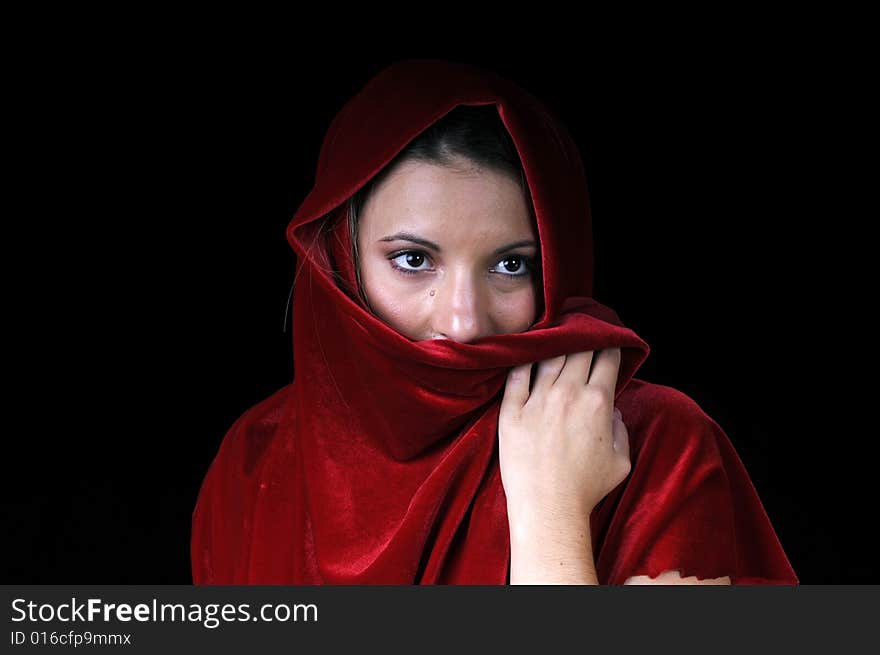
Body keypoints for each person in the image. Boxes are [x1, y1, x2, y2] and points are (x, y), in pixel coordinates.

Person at [190, 58, 798, 585]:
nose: (462, 321)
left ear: (559, 265)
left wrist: (552, 516)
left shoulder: (654, 445)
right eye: (413, 260)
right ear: (340, 260)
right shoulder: (256, 455)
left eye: (510, 264)